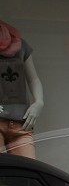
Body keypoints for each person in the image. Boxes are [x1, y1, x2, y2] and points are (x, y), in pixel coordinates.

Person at [0, 20, 44, 158]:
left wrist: (39, 102)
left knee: (27, 173)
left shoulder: (19, 45)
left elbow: (33, 79)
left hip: (22, 124)